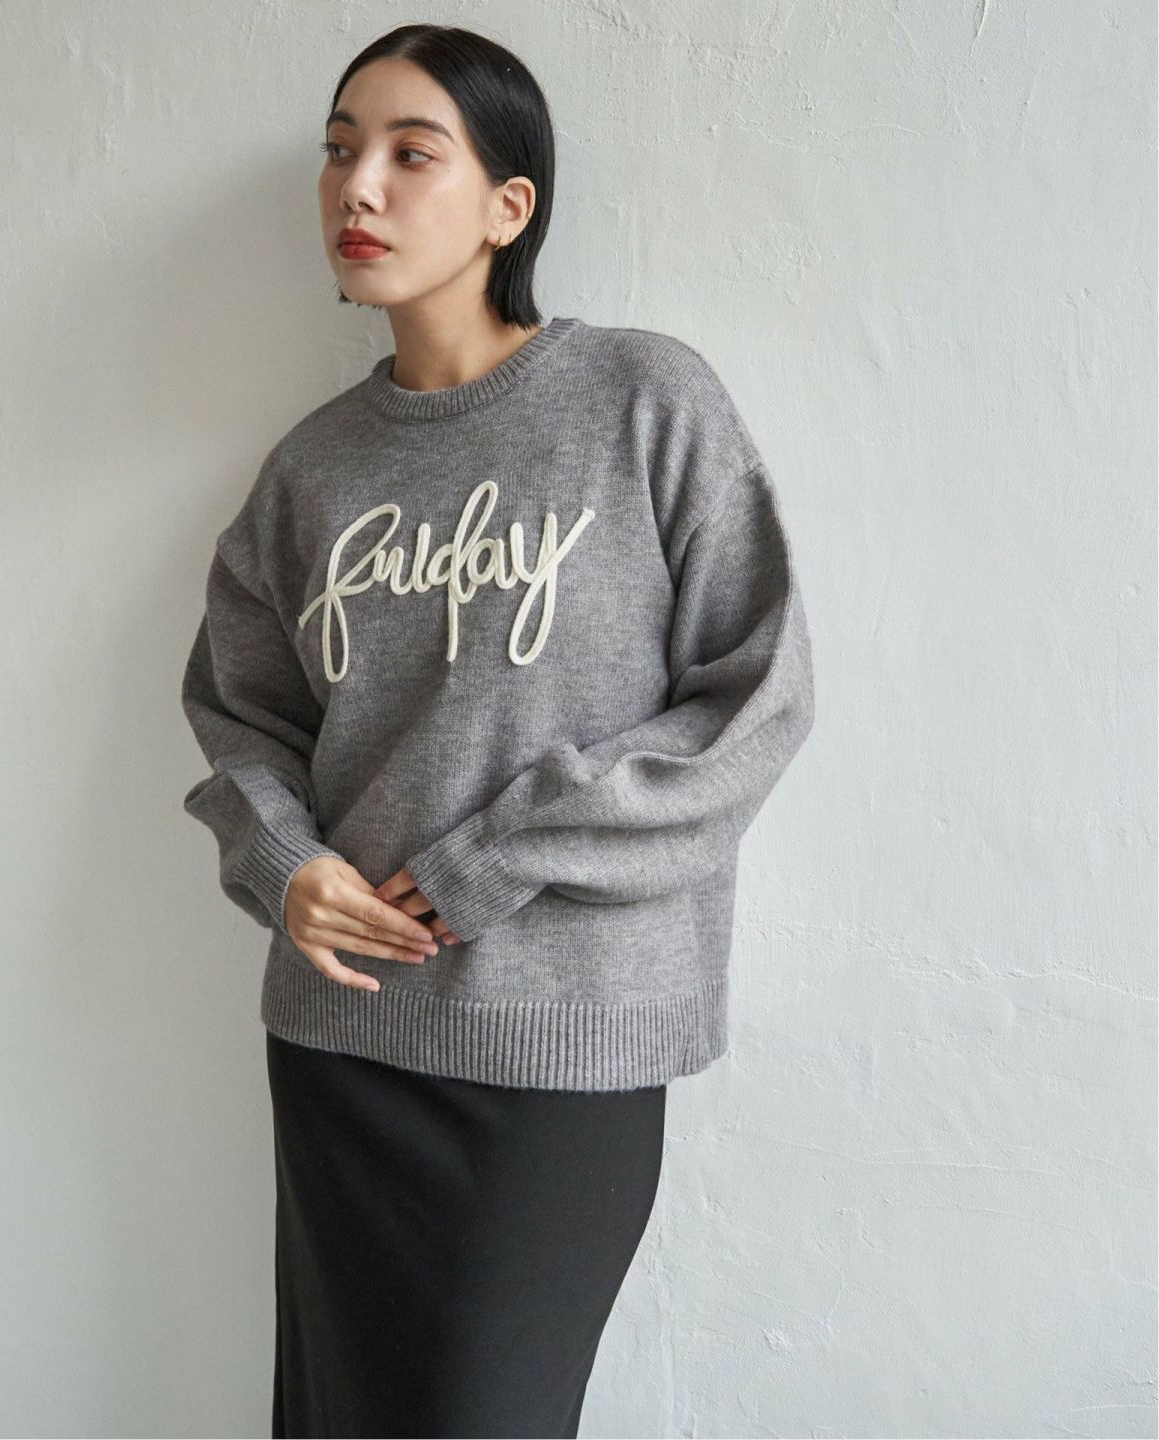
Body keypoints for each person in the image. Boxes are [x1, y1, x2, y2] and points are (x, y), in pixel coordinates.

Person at [180, 22, 815, 1440]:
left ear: (508, 206)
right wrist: (284, 865)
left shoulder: (643, 399)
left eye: (413, 154)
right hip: (344, 1035)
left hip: (557, 1043)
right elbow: (241, 713)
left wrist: (495, 858)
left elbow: (754, 697)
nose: (358, 187)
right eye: (340, 150)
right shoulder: (312, 468)